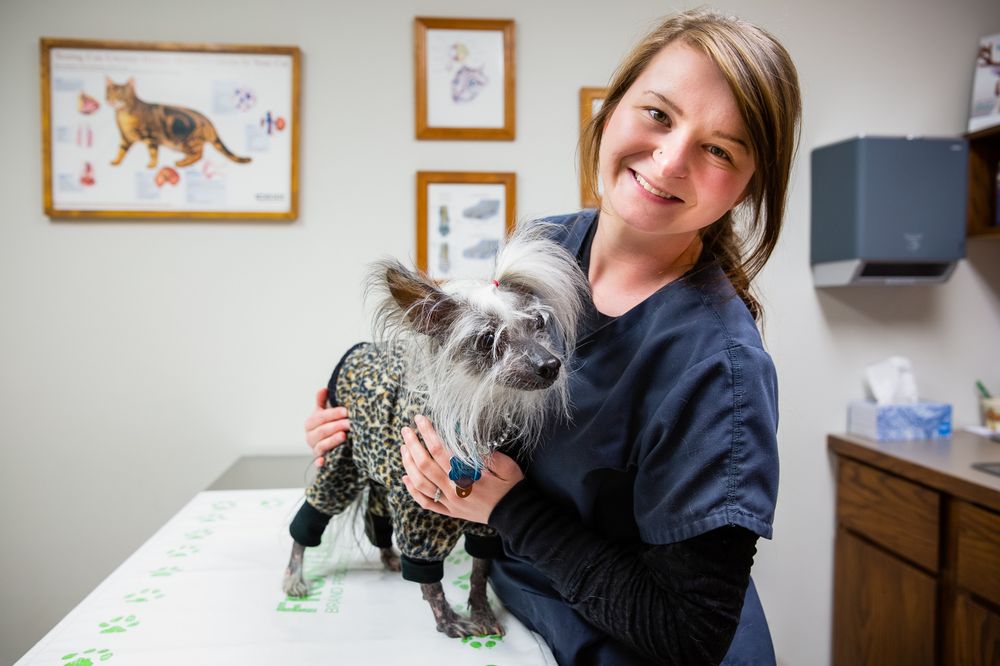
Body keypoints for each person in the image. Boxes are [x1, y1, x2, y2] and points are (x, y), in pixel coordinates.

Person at [305, 9, 801, 665]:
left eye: (719, 149)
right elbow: (464, 370)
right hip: (524, 604)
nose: (671, 159)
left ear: (749, 184)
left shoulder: (719, 370)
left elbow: (689, 634)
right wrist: (363, 419)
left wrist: (507, 510)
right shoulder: (546, 248)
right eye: (658, 114)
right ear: (612, 107)